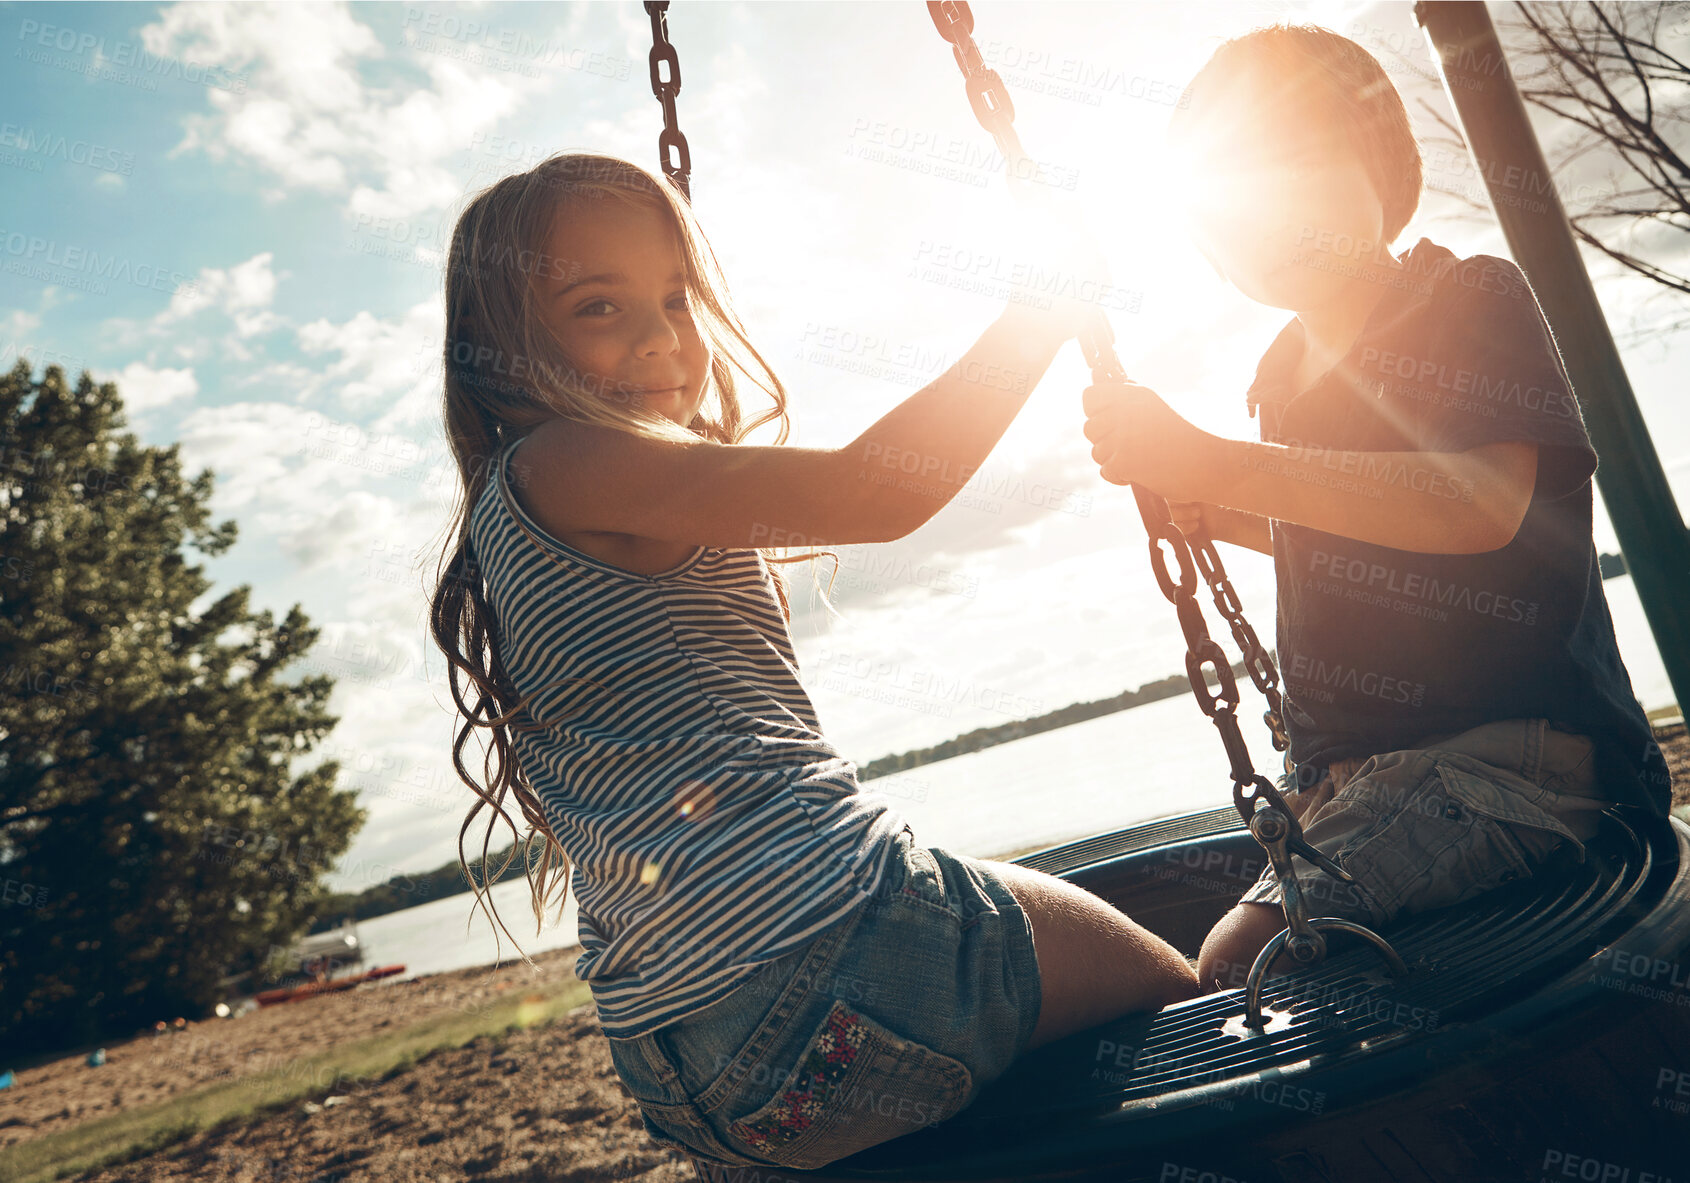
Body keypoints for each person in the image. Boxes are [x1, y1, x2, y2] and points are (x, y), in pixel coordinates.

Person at [427, 151, 1198, 1171]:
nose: (662, 335)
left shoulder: (506, 513)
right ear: (494, 347)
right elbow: (877, 492)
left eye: (674, 296)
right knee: (1180, 1000)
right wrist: (1036, 313)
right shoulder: (575, 458)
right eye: (597, 308)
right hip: (834, 944)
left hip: (689, 1062)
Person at [1081, 24, 1671, 994]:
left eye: (1300, 173)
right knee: (1204, 911)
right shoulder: (1280, 375)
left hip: (1517, 760)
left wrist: (1217, 459)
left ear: (1382, 167)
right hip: (1367, 772)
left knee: (1243, 965)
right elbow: (1332, 528)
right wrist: (1208, 500)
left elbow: (1472, 508)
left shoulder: (1466, 297)